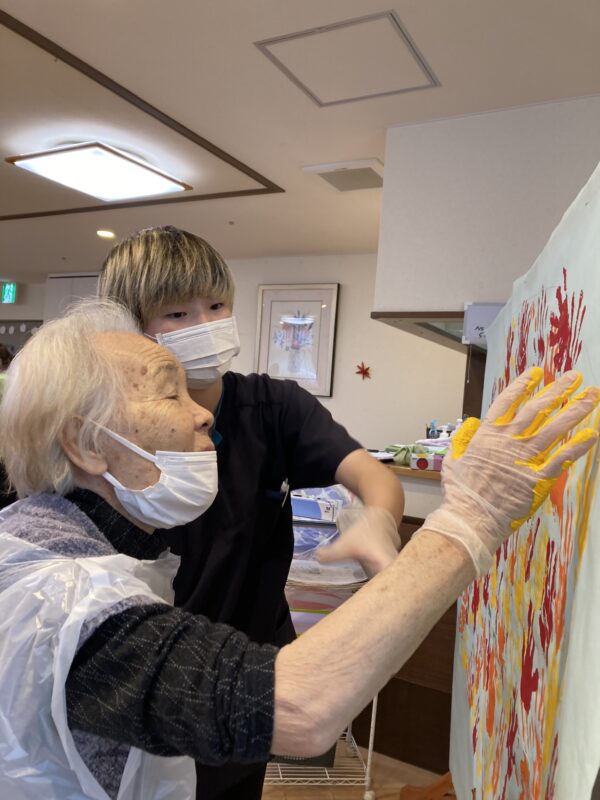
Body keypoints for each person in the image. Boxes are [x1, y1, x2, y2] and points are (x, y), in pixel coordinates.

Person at [0, 299, 597, 800]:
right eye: (169, 395)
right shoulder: (62, 601)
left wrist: (380, 518)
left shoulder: (94, 546)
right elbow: (299, 708)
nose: (203, 415)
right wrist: (472, 517)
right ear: (87, 443)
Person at [98, 226, 405, 797]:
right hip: (157, 681)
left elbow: (373, 476)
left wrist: (378, 520)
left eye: (216, 306)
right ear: (131, 328)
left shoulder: (272, 407)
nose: (205, 325)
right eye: (178, 314)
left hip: (250, 669)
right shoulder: (111, 436)